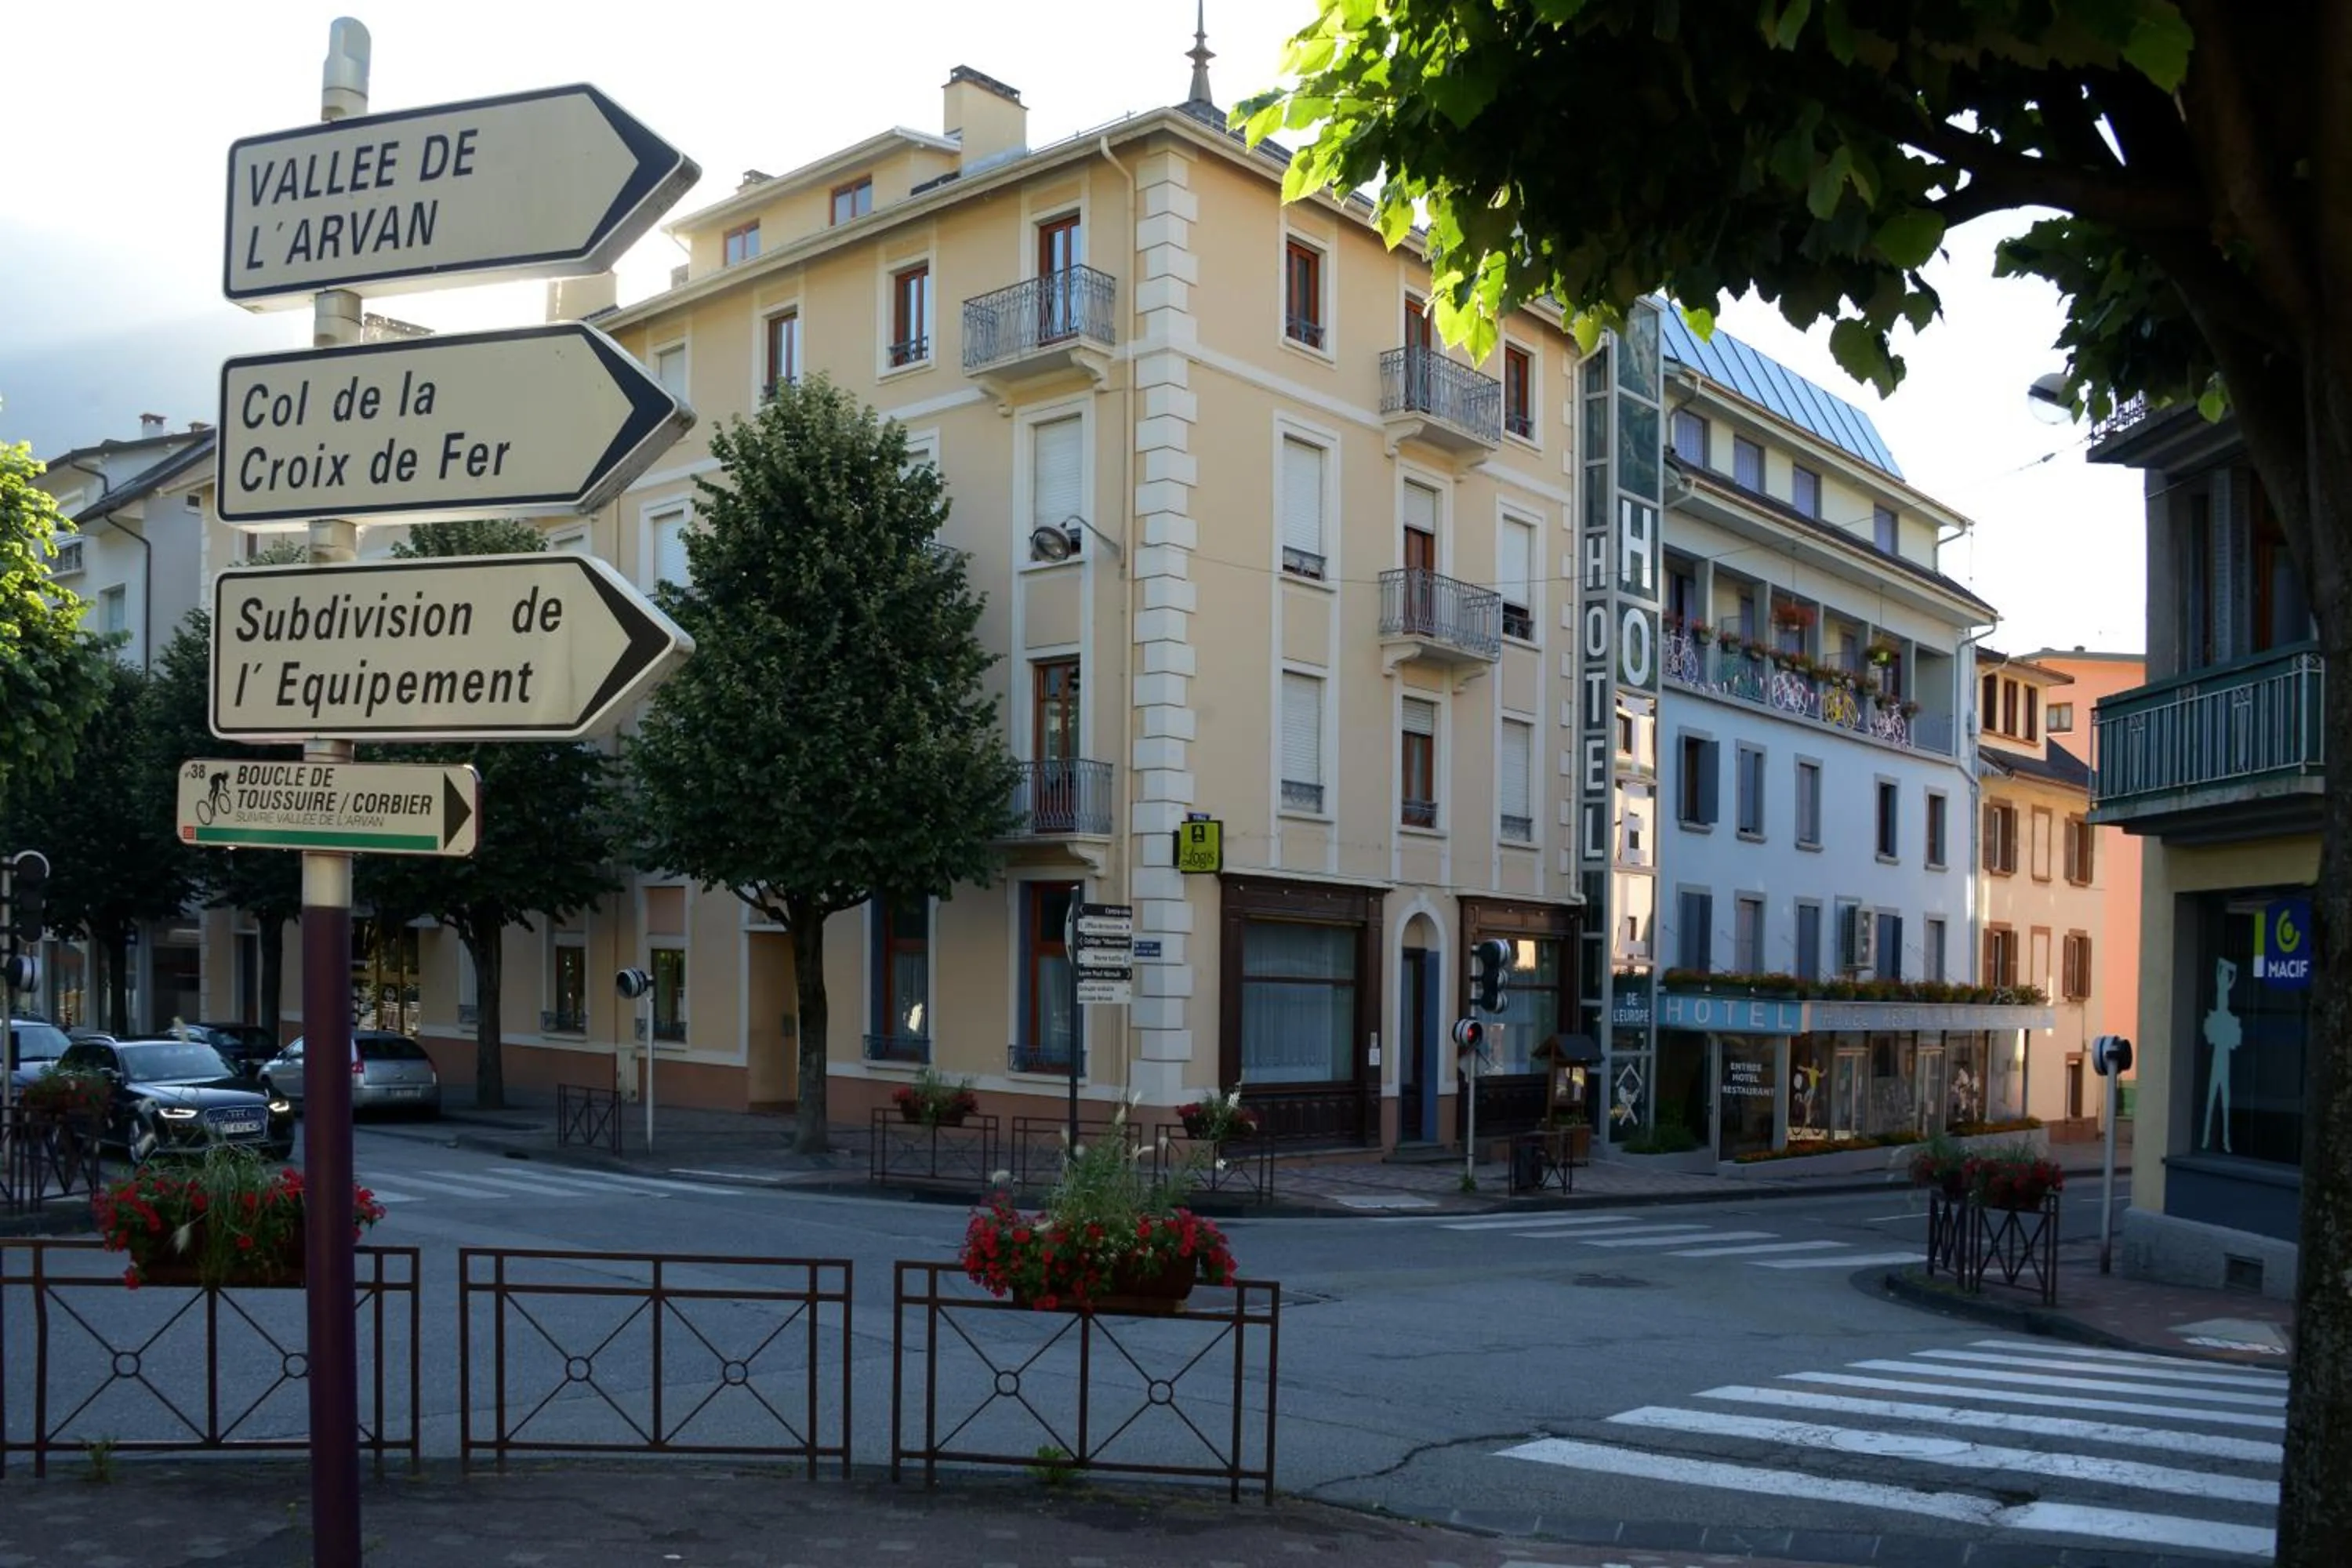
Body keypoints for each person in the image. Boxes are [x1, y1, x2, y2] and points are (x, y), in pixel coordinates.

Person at [2200, 956, 2241, 1153]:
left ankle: (2224, 1140)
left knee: (2224, 1100)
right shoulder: (2221, 984)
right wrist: (2224, 967)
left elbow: (2230, 978)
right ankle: (2207, 1138)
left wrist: (2229, 970)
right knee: (2211, 1098)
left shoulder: (2227, 988)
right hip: (2219, 1056)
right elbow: (2220, 973)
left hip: (2223, 1057)